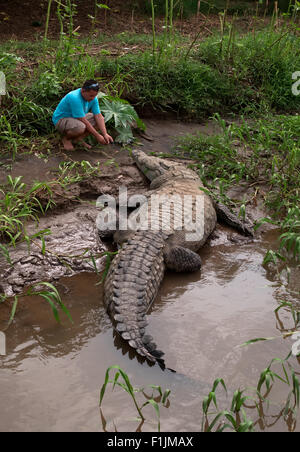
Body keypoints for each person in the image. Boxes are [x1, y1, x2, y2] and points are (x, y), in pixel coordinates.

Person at [52, 79, 113, 151]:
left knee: (100, 119)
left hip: (76, 119)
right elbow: (82, 120)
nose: (93, 98)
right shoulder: (74, 97)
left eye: (95, 95)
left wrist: (105, 134)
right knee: (80, 127)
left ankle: (78, 139)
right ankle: (66, 139)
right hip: (61, 119)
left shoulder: (93, 98)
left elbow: (98, 116)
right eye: (91, 96)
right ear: (83, 91)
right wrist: (97, 136)